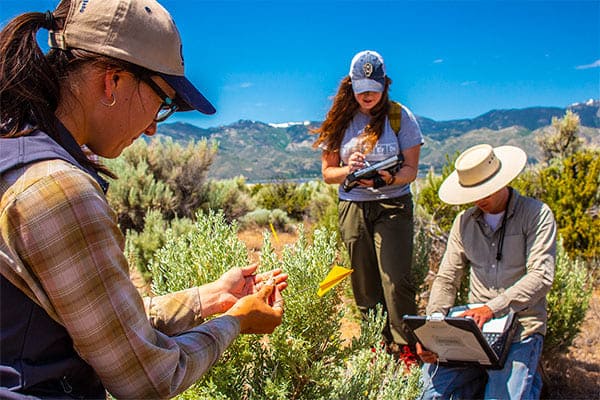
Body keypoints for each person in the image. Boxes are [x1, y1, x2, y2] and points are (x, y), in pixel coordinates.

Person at [0, 0, 287, 398]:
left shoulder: (14, 152)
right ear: (113, 80)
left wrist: (210, 298)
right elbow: (147, 379)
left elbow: (99, 322)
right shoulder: (58, 191)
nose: (154, 127)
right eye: (163, 101)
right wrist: (236, 322)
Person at [417, 144, 557, 399]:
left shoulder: (536, 214)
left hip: (522, 328)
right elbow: (447, 278)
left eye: (485, 191)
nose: (479, 199)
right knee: (429, 394)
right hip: (475, 329)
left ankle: (526, 379)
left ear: (502, 180)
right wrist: (434, 329)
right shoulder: (464, 223)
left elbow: (541, 276)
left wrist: (492, 307)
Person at [312, 50, 424, 363]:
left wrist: (386, 178)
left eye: (373, 88)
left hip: (393, 205)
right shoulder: (339, 121)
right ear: (352, 85)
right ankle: (375, 346)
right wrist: (350, 170)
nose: (368, 95)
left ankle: (405, 349)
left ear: (384, 85)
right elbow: (327, 173)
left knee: (395, 279)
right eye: (362, 89)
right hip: (353, 208)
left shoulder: (400, 117)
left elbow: (411, 171)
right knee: (363, 283)